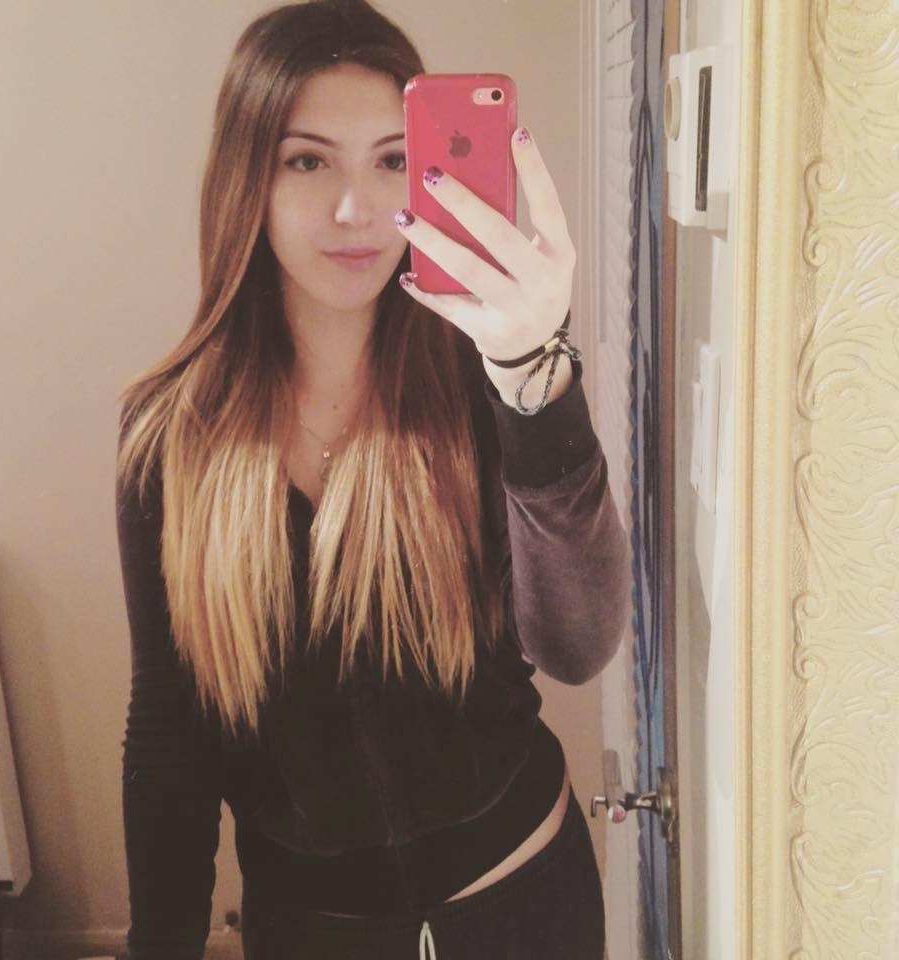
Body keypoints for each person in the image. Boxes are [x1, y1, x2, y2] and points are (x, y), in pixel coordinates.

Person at [114, 1, 632, 957]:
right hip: (310, 929)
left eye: (394, 160)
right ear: (246, 179)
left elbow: (576, 645)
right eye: (308, 161)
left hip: (523, 895)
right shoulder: (168, 436)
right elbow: (170, 736)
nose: (357, 209)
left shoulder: (486, 379)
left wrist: (533, 381)